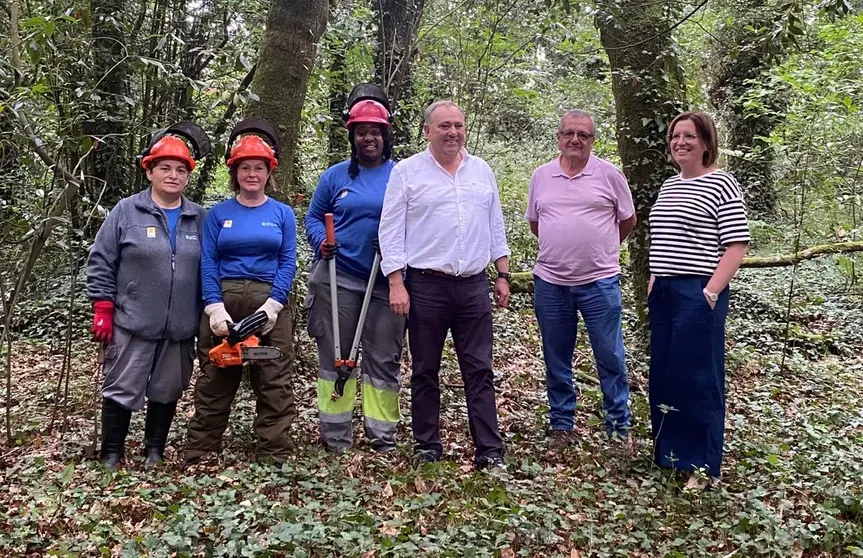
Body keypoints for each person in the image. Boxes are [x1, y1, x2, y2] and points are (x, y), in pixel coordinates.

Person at [378, 100, 510, 470]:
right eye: (444, 126)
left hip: (472, 286)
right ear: (427, 131)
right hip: (425, 286)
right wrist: (396, 282)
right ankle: (427, 444)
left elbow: (494, 223)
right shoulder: (407, 172)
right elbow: (390, 230)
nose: (453, 132)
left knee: (479, 369)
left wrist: (502, 272)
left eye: (458, 125)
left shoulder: (481, 171)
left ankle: (489, 449)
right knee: (424, 368)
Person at [86, 122, 210, 469]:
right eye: (165, 168)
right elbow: (101, 260)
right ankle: (112, 452)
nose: (173, 175)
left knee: (167, 390)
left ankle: (154, 451)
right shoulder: (127, 211)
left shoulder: (199, 217)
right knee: (121, 387)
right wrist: (103, 306)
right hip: (132, 321)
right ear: (150, 171)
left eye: (180, 170)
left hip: (180, 326)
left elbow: (211, 268)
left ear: (188, 176)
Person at [184, 118, 298, 464]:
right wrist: (214, 308)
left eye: (259, 168)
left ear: (268, 172)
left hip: (268, 297)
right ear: (236, 172)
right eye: (246, 168)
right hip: (226, 296)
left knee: (274, 377)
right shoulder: (218, 214)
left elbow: (288, 261)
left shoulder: (282, 213)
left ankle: (274, 450)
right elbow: (208, 262)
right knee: (216, 373)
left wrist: (274, 306)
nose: (252, 174)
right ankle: (201, 447)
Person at [647, 110, 750, 489]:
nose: (680, 142)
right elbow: (662, 237)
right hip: (665, 292)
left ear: (706, 142)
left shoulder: (722, 184)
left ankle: (701, 466)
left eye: (689, 136)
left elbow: (737, 244)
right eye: (675, 136)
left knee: (699, 378)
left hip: (698, 291)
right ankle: (670, 454)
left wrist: (710, 291)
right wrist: (655, 279)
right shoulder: (669, 186)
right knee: (665, 373)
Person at [525, 110, 637, 450]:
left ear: (592, 141)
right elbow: (536, 223)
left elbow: (628, 221)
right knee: (556, 356)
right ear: (558, 137)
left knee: (610, 356)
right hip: (551, 283)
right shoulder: (541, 176)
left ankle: (619, 429)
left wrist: (600, 250)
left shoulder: (610, 175)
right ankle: (562, 425)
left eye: (583, 135)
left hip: (600, 283)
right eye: (569, 133)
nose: (575, 140)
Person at [305, 90, 406, 453]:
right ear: (352, 136)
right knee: (337, 357)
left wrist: (398, 247)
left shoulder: (402, 175)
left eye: (376, 131)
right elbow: (313, 218)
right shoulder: (335, 177)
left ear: (386, 135)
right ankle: (336, 437)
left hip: (387, 282)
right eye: (361, 131)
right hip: (340, 278)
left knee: (383, 360)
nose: (369, 138)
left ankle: (382, 437)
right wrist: (321, 242)